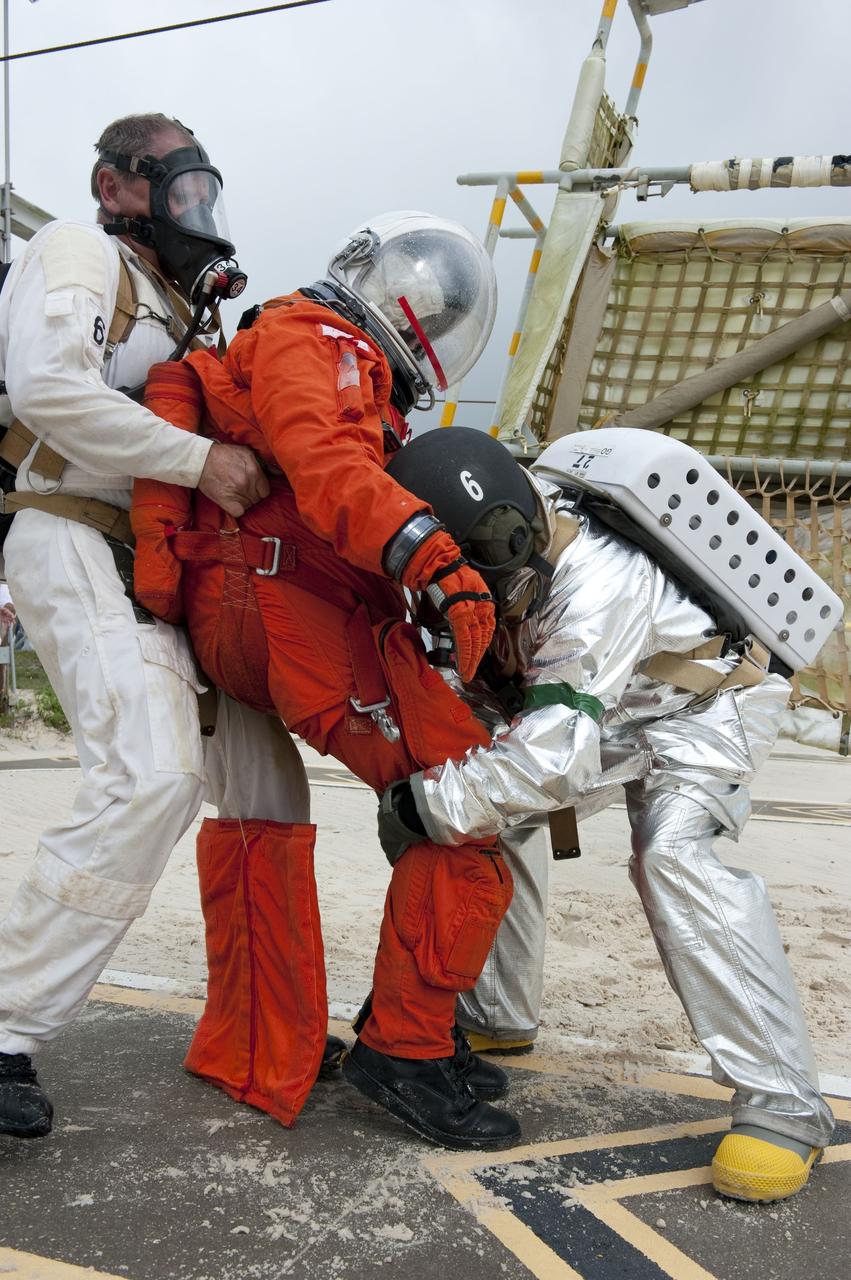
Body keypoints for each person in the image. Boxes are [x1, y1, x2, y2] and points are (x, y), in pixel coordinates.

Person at [130, 211, 524, 1151]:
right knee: (465, 809)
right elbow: (326, 461)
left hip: (272, 610)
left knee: (435, 805)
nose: (427, 324)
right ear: (389, 293)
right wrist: (435, 559)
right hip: (287, 616)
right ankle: (409, 1050)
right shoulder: (321, 342)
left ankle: (348, 1034)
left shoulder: (302, 342)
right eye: (426, 305)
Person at [377, 425, 835, 1202]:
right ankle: (498, 1011)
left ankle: (784, 1104)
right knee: (492, 817)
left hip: (703, 705)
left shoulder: (597, 579)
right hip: (609, 706)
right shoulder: (471, 559)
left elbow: (553, 756)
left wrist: (425, 803)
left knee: (670, 855)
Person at [0, 113, 313, 1142]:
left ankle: (267, 1021)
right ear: (115, 185)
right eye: (175, 188)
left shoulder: (184, 312)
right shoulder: (78, 252)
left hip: (169, 563)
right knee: (151, 774)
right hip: (73, 525)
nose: (195, 211)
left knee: (262, 780)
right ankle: (6, 1023)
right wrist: (197, 464)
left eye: (202, 191)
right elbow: (46, 387)